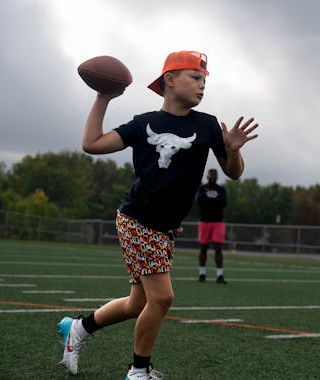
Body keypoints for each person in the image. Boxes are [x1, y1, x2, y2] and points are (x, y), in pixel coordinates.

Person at [57, 50, 259, 379]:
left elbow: (233, 173)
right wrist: (103, 97)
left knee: (139, 303)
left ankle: (78, 328)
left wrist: (233, 151)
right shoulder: (143, 124)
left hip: (165, 228)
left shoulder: (207, 125)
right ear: (169, 80)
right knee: (162, 298)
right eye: (195, 78)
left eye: (204, 80)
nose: (202, 85)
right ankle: (139, 371)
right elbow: (91, 144)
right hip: (138, 219)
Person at [196, 168, 228, 284]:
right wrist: (215, 200)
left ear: (217, 176)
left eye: (215, 175)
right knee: (203, 248)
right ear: (207, 176)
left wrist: (210, 200)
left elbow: (224, 203)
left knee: (218, 248)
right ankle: (202, 273)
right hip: (204, 221)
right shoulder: (202, 188)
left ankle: (219, 275)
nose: (213, 177)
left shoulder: (221, 189)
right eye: (211, 174)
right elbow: (200, 201)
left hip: (218, 222)